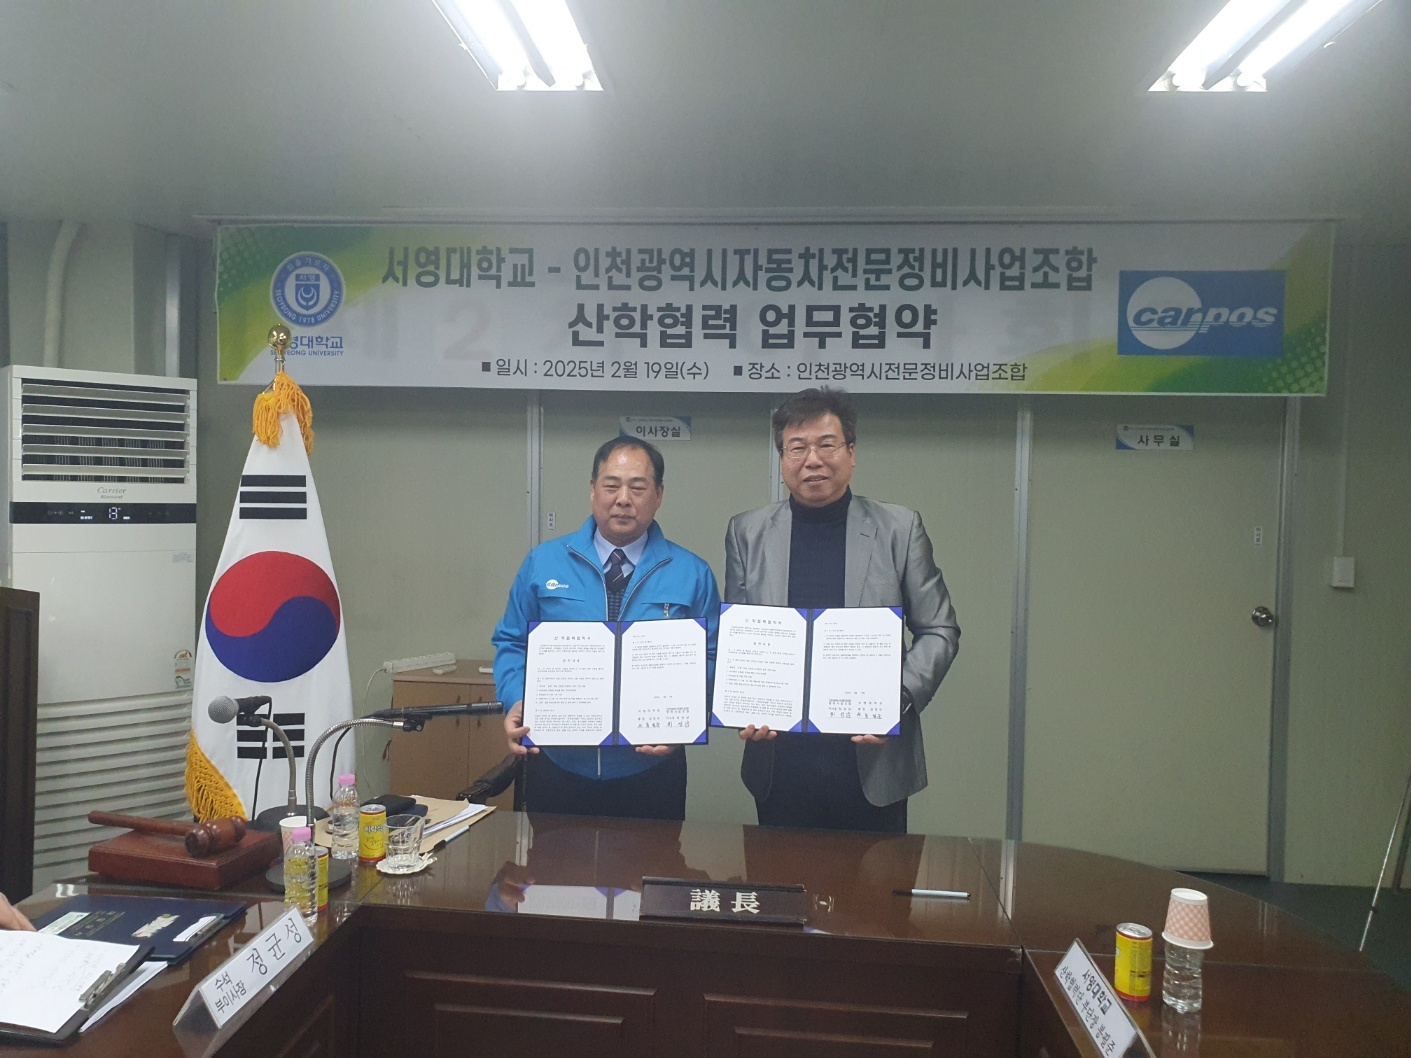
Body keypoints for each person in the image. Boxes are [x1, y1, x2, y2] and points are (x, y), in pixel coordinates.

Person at [725, 387, 959, 833]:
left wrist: (897, 698)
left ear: (851, 453)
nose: (812, 460)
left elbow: (939, 629)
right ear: (782, 459)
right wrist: (744, 703)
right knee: (780, 876)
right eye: (797, 447)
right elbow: (741, 638)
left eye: (827, 445)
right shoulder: (747, 532)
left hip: (872, 762)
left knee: (878, 879)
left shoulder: (899, 529)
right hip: (779, 763)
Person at [493, 437, 719, 821]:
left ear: (659, 495)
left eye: (638, 487)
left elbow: (713, 658)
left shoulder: (692, 573)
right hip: (557, 764)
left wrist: (686, 718)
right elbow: (511, 642)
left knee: (654, 859)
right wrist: (517, 698)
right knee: (552, 859)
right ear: (592, 490)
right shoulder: (543, 563)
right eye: (611, 485)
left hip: (651, 770)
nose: (623, 499)